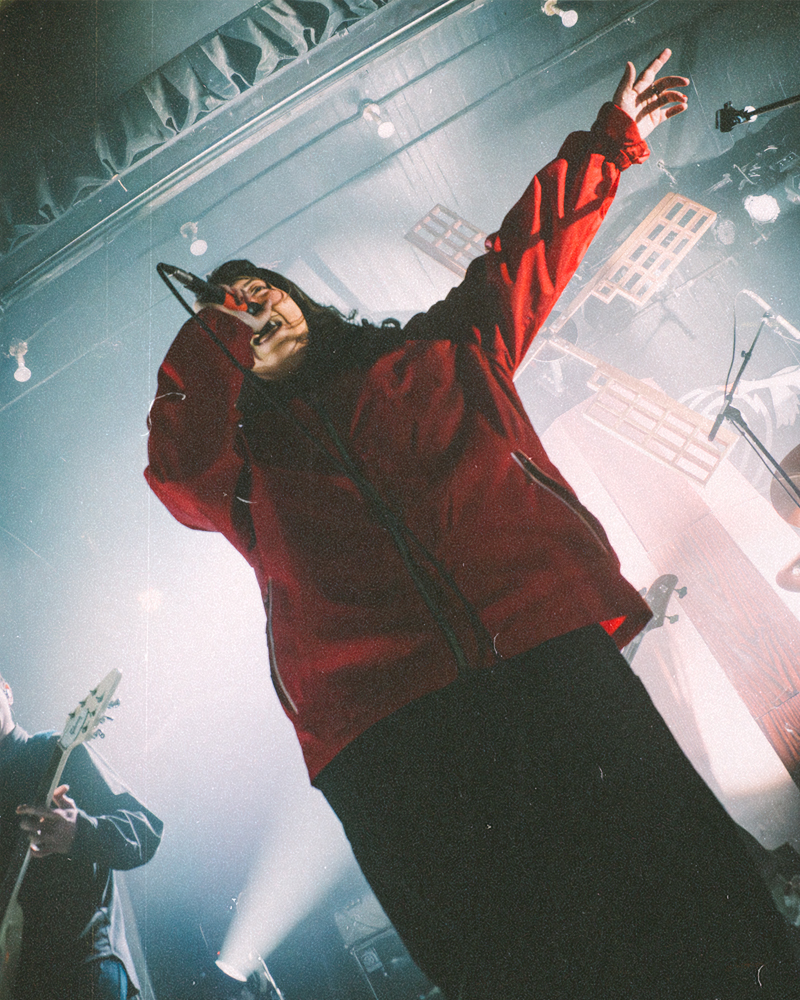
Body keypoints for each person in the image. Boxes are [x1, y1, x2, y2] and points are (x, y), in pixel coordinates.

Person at [145, 50, 800, 998]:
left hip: (540, 656)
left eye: (265, 288)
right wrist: (213, 336)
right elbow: (175, 470)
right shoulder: (240, 465)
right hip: (389, 735)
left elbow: (524, 254)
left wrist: (612, 143)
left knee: (686, 898)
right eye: (233, 306)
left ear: (307, 299)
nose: (255, 306)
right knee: (517, 961)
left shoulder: (443, 350)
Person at [0, 674, 163, 1000]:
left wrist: (80, 832)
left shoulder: (56, 751)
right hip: (23, 980)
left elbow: (145, 829)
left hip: (86, 968)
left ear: (7, 691)